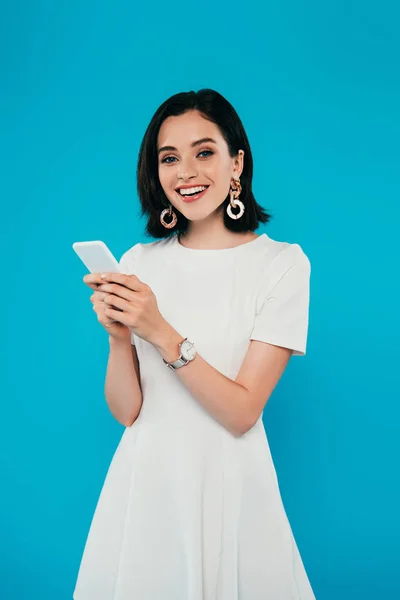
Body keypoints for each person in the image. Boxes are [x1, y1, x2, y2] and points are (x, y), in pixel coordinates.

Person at [73, 89, 315, 600]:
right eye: (169, 158)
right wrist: (120, 338)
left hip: (231, 485)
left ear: (236, 165)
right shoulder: (138, 262)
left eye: (204, 152)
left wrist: (158, 329)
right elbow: (128, 411)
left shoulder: (282, 264)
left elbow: (242, 411)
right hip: (146, 487)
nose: (186, 171)